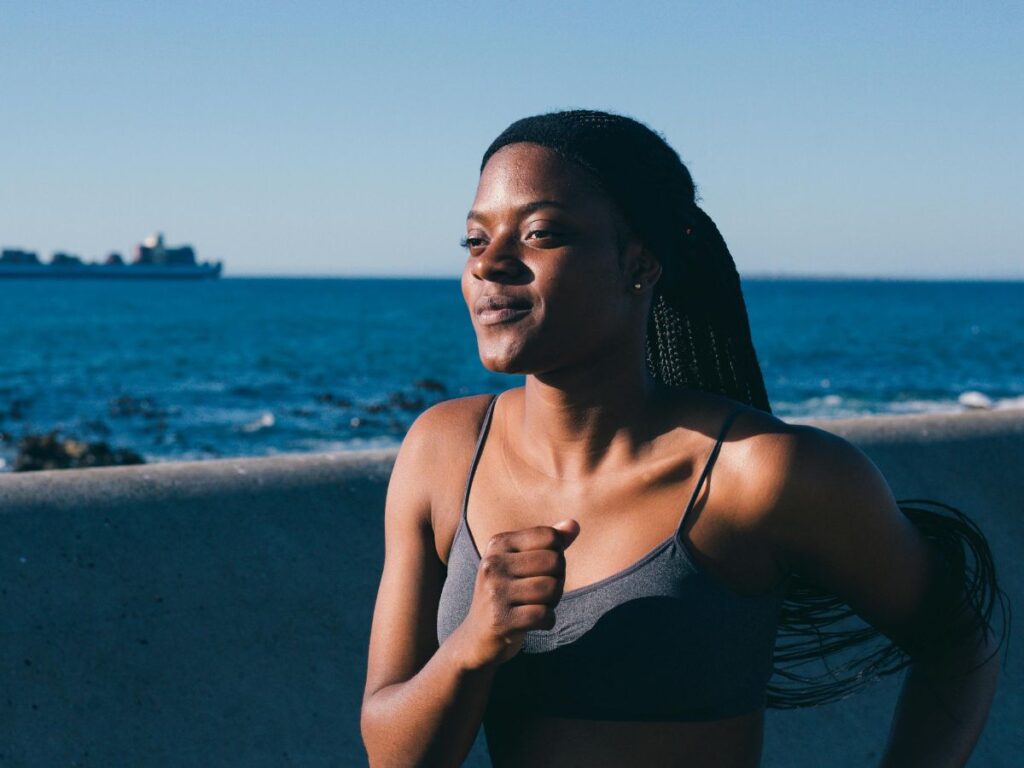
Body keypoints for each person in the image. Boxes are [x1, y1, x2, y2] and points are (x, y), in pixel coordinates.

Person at [360, 110, 1005, 767]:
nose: (491, 266)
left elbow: (958, 644)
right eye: (474, 241)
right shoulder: (441, 452)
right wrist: (473, 642)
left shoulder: (761, 475)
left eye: (539, 233)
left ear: (638, 263)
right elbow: (392, 756)